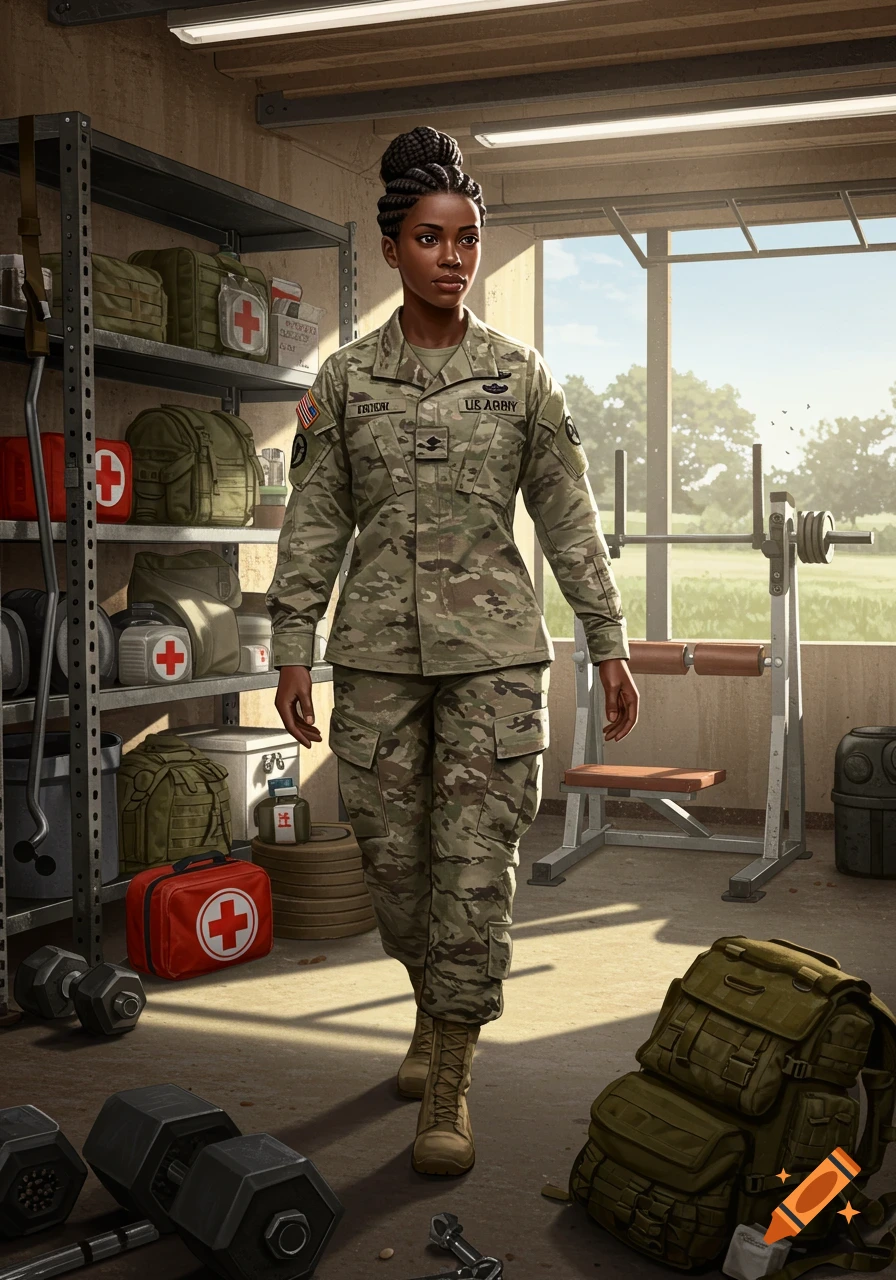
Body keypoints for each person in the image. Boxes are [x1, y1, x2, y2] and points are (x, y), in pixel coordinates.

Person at [267, 125, 639, 1177]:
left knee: (473, 868)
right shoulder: (343, 384)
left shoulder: (519, 379)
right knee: (393, 865)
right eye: (429, 237)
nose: (452, 256)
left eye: (466, 238)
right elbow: (314, 522)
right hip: (377, 659)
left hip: (492, 662)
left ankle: (451, 1074)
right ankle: (431, 1008)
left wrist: (605, 643)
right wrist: (291, 644)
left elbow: (570, 517)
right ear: (391, 247)